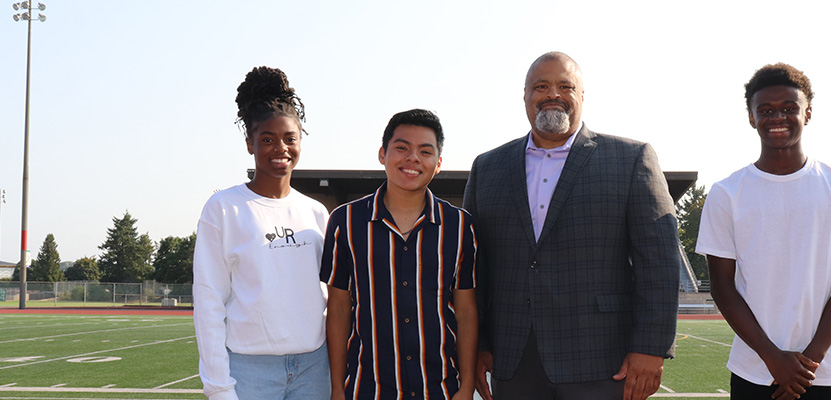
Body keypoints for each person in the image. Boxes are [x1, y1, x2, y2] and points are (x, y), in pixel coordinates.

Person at [463, 51, 681, 400]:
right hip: (513, 360)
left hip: (601, 358)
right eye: (541, 86)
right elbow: (475, 268)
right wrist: (478, 344)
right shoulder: (487, 167)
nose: (553, 94)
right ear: (525, 96)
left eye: (566, 85)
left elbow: (659, 262)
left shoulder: (630, 158)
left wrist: (651, 347)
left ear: (582, 96)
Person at [696, 63, 831, 400]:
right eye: (765, 110)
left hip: (822, 372)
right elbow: (723, 286)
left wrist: (809, 360)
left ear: (808, 113)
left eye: (789, 108)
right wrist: (771, 357)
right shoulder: (727, 193)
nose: (776, 117)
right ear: (751, 117)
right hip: (753, 368)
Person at [193, 66, 331, 400]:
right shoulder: (223, 208)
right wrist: (219, 387)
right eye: (267, 139)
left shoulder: (316, 212)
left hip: (314, 368)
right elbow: (209, 300)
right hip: (249, 371)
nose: (280, 148)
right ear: (249, 143)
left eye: (289, 139)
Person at [321, 109, 478, 400]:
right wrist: (336, 389)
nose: (412, 158)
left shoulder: (459, 226)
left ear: (438, 163)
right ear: (382, 154)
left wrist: (466, 386)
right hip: (367, 389)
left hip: (439, 389)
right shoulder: (345, 221)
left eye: (425, 151)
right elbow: (339, 309)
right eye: (402, 148)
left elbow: (466, 312)